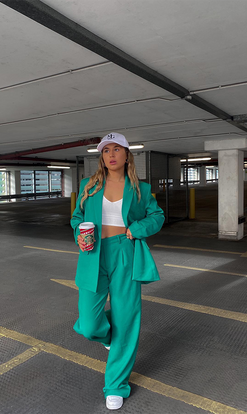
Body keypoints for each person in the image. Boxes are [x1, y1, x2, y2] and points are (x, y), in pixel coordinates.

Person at [70, 132, 165, 410]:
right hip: (93, 253)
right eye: (105, 150)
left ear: (126, 155)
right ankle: (108, 334)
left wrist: (137, 229)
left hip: (125, 251)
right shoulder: (89, 185)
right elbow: (77, 217)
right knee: (89, 323)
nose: (111, 154)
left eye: (116, 149)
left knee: (127, 318)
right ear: (101, 156)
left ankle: (116, 385)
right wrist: (79, 231)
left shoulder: (140, 189)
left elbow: (157, 215)